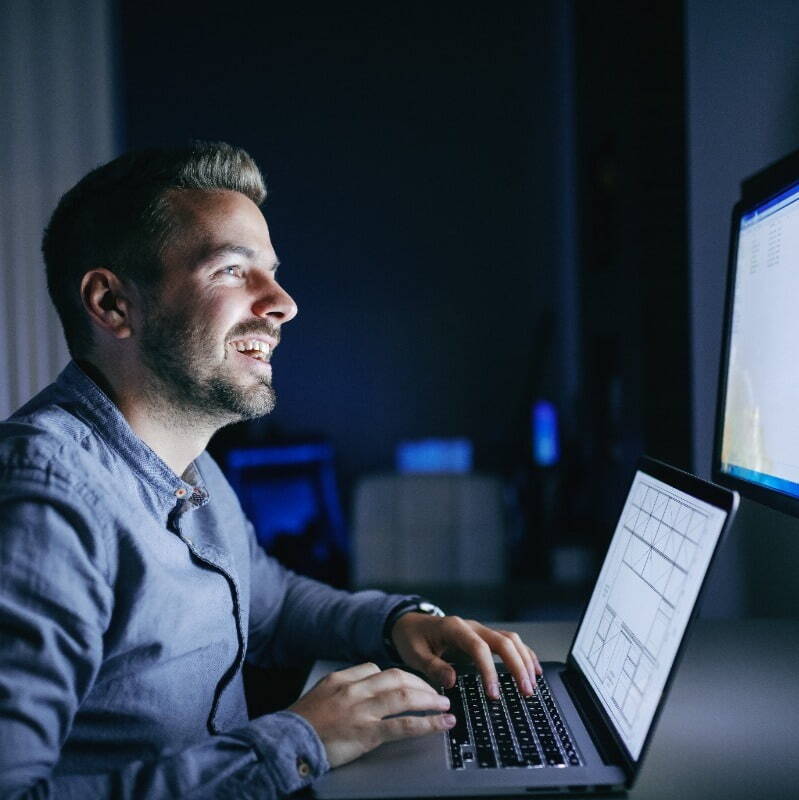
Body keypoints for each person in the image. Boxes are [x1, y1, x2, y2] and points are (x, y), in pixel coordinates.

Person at [0, 142, 541, 798]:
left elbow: (271, 602)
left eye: (272, 272)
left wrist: (402, 621)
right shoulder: (44, 505)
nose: (281, 302)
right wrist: (298, 740)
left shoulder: (184, 458)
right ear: (114, 305)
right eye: (232, 270)